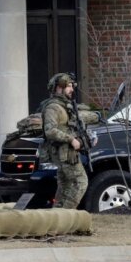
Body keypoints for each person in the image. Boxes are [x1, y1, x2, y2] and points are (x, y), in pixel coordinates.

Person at [40, 73, 88, 209]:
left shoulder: (65, 106)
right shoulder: (53, 108)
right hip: (63, 153)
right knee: (80, 182)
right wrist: (71, 139)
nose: (72, 89)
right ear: (59, 88)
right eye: (68, 86)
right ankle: (65, 216)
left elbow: (70, 127)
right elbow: (50, 131)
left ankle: (57, 218)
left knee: (65, 186)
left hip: (68, 153)